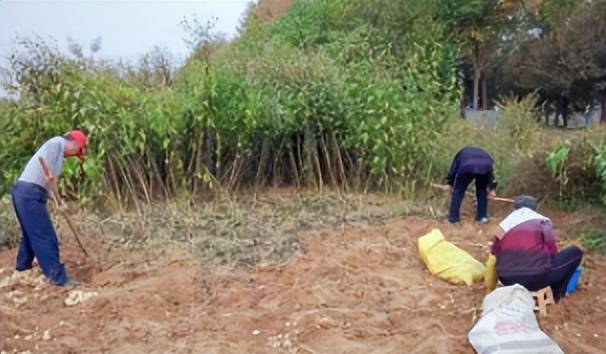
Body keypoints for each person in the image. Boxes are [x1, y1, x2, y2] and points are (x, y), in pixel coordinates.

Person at [11, 130, 89, 286]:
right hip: (29, 193)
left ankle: (22, 269)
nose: (73, 155)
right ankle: (59, 278)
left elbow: (49, 182)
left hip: (27, 192)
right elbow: (47, 171)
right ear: (75, 143)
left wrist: (58, 201)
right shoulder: (57, 143)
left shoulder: (59, 152)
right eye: (76, 151)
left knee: (30, 234)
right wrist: (51, 182)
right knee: (46, 237)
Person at [490, 195, 583, 302]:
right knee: (576, 252)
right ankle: (557, 294)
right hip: (534, 278)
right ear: (535, 208)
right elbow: (552, 251)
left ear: (514, 208)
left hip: (506, 279)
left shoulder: (503, 224)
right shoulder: (542, 221)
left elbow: (494, 253)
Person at [445, 146, 497, 224]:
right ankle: (482, 217)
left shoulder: (461, 154)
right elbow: (490, 172)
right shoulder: (485, 155)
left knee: (458, 192)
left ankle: (453, 219)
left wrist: (450, 183)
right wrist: (492, 188)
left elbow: (454, 169)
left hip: (467, 166)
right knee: (482, 191)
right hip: (485, 167)